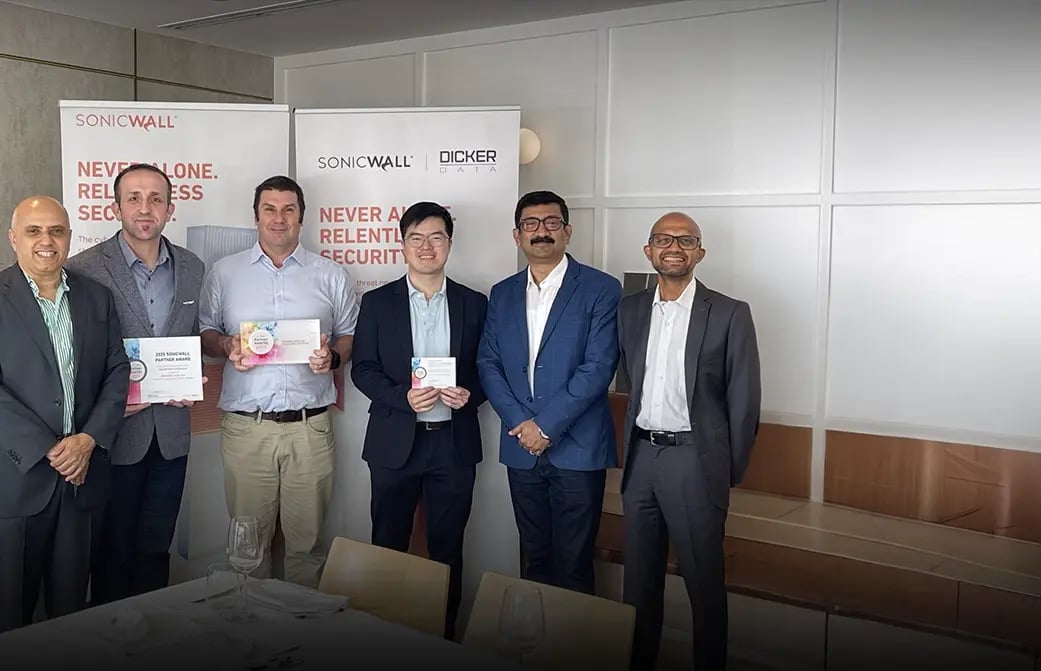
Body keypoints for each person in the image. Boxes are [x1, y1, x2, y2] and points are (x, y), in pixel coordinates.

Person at [617, 212, 761, 671]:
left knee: (703, 583)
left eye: (685, 240)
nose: (673, 246)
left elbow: (744, 400)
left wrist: (723, 472)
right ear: (648, 251)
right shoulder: (631, 309)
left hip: (695, 462)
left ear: (700, 252)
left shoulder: (729, 312)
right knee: (638, 584)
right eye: (663, 239)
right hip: (641, 458)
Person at [199, 175, 359, 587]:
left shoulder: (331, 274)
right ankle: (249, 641)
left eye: (289, 209)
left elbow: (348, 334)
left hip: (310, 427)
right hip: (247, 428)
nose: (279, 218)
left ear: (301, 218)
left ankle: (302, 643)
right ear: (256, 217)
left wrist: (335, 356)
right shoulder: (225, 273)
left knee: (306, 550)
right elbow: (205, 333)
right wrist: (227, 344)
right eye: (269, 209)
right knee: (247, 549)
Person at [66, 163, 205, 603]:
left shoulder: (192, 267)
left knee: (154, 549)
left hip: (171, 436)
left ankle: (154, 641)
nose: (145, 208)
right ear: (116, 206)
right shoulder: (83, 269)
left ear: (170, 208)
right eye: (134, 198)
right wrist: (103, 403)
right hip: (112, 436)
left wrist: (191, 374)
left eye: (156, 199)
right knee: (111, 553)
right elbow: (70, 356)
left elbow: (193, 336)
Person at [351, 201, 487, 640]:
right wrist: (401, 398)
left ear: (449, 243)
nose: (427, 247)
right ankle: (385, 639)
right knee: (388, 547)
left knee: (448, 550)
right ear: (402, 245)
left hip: (453, 443)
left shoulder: (474, 303)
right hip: (395, 443)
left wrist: (472, 394)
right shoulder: (376, 302)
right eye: (417, 238)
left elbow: (489, 370)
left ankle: (444, 639)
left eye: (436, 237)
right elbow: (363, 369)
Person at [477, 190, 621, 594]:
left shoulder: (600, 289)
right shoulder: (502, 293)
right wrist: (523, 424)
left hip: (578, 447)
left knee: (574, 565)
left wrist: (546, 426)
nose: (541, 232)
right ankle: (532, 651)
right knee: (534, 559)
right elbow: (489, 363)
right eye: (531, 224)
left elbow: (598, 367)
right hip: (521, 446)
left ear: (568, 231)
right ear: (517, 235)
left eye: (551, 222)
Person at [0, 196, 129, 632]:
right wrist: (51, 449)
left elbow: (117, 371)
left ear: (70, 238)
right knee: (11, 614)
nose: (46, 241)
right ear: (13, 238)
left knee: (71, 614)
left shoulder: (97, 298)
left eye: (56, 230)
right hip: (19, 483)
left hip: (82, 478)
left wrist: (88, 440)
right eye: (34, 231)